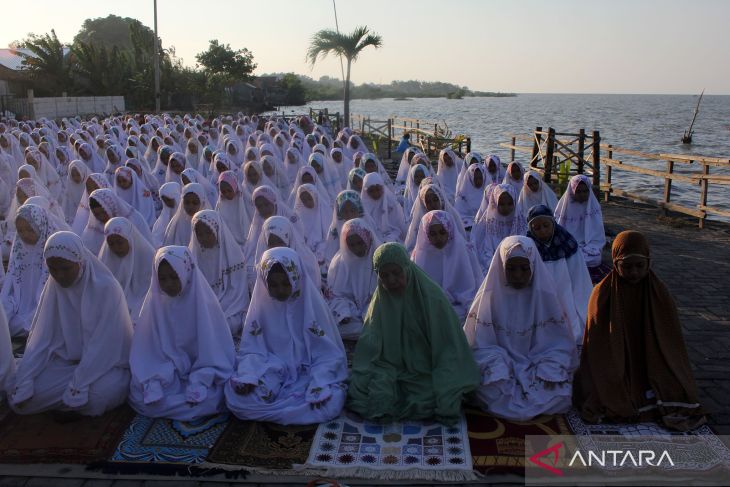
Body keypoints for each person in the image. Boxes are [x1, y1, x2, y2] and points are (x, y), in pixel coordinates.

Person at [573, 230, 706, 431]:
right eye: (626, 266)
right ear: (616, 263)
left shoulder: (658, 292)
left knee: (675, 390)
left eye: (639, 266)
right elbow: (598, 346)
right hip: (616, 361)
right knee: (605, 392)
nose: (634, 272)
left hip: (649, 359)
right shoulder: (602, 293)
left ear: (649, 263)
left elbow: (671, 341)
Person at [347, 242, 479, 425]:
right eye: (384, 276)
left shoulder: (432, 298)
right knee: (366, 388)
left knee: (440, 394)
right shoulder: (381, 300)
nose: (391, 280)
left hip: (427, 366)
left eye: (396, 273)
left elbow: (448, 347)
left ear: (407, 268)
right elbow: (372, 343)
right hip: (391, 366)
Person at [8, 231, 133, 416]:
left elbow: (104, 347)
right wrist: (25, 381)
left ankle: (69, 400)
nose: (59, 275)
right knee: (21, 396)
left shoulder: (106, 288)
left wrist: (78, 384)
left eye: (66, 268)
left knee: (99, 396)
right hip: (65, 363)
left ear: (80, 263)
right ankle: (68, 403)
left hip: (106, 366)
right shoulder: (53, 288)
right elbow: (41, 340)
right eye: (53, 269)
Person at [225, 247, 347, 425]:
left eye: (286, 283)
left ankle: (291, 406)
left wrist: (319, 381)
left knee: (331, 401)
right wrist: (249, 376)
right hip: (271, 369)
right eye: (273, 285)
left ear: (296, 278)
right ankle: (295, 411)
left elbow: (329, 355)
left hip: (308, 371)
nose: (280, 290)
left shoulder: (311, 307)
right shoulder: (260, 309)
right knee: (237, 399)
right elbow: (252, 351)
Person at [464, 236, 578, 421]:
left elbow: (559, 342)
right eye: (511, 268)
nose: (518, 275)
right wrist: (498, 363)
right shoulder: (489, 296)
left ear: (533, 265)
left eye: (524, 269)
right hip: (500, 359)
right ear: (501, 267)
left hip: (537, 360)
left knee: (559, 390)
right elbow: (478, 343)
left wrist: (546, 363)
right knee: (487, 386)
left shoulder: (545, 295)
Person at [129, 246, 235, 421]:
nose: (168, 284)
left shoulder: (204, 304)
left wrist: (201, 377)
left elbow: (216, 354)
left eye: (174, 277)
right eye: (162, 279)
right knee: (140, 396)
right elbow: (147, 350)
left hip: (201, 370)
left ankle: (193, 389)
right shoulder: (155, 305)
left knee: (216, 395)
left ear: (186, 272)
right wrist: (157, 374)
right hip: (167, 372)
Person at [526, 205, 592, 347]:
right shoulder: (528, 247)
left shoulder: (567, 243)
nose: (543, 231)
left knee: (574, 326)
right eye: (537, 228)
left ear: (553, 223)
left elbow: (579, 278)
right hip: (542, 295)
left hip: (566, 291)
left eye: (546, 225)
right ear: (531, 229)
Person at [1, 204, 65, 336]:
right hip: (18, 309)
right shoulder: (19, 249)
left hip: (43, 307)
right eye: (21, 230)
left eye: (30, 230)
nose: (25, 235)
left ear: (41, 226)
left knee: (40, 323)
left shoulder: (52, 250)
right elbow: (11, 286)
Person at [411, 210, 482, 321]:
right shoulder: (420, 256)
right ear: (425, 234)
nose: (438, 238)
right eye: (433, 234)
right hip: (431, 309)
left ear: (450, 230)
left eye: (442, 232)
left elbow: (474, 285)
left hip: (460, 309)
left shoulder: (464, 251)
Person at [189, 210, 250, 335]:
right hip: (202, 306)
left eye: (208, 232)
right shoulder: (193, 258)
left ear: (217, 230)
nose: (204, 238)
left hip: (229, 308)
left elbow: (237, 294)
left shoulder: (234, 257)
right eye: (199, 234)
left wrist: (215, 306)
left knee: (228, 324)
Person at [325, 218, 381, 339]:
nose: (357, 249)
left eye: (360, 243)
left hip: (376, 311)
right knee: (333, 327)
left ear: (368, 238)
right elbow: (336, 296)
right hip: (352, 316)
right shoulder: (340, 263)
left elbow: (383, 293)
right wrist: (345, 312)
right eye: (352, 245)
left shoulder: (378, 259)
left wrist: (368, 311)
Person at [99, 217, 155, 322]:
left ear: (129, 239)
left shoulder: (148, 258)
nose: (116, 248)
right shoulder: (105, 262)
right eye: (111, 244)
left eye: (119, 243)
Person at [554, 175, 609, 283]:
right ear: (572, 191)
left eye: (585, 191)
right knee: (567, 257)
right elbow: (558, 230)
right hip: (568, 243)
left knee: (593, 258)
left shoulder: (594, 206)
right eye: (578, 191)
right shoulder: (564, 207)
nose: (582, 194)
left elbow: (597, 233)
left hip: (589, 244)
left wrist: (591, 246)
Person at [471, 184, 527, 271]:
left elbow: (524, 247)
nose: (506, 208)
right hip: (492, 266)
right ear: (495, 203)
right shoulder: (489, 223)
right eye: (501, 204)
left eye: (509, 204)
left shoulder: (520, 222)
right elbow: (485, 251)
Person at [361, 172, 406, 243]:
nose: (375, 193)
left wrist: (389, 239)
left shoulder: (391, 204)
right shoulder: (362, 208)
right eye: (371, 191)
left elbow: (399, 228)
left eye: (378, 189)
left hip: (393, 240)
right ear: (365, 191)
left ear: (383, 188)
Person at [162, 182, 210, 247]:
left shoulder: (209, 223)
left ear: (202, 203)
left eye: (195, 203)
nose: (190, 206)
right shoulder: (176, 223)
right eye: (187, 203)